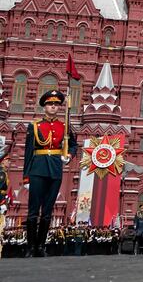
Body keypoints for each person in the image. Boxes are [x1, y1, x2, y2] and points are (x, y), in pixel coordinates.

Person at [23, 90, 78, 257]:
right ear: (44, 107)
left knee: (47, 211)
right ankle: (30, 247)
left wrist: (69, 155)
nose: (53, 107)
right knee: (33, 211)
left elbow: (74, 145)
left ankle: (41, 246)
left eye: (56, 104)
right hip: (37, 170)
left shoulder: (64, 127)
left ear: (59, 108)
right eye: (50, 104)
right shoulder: (34, 126)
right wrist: (26, 176)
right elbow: (28, 152)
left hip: (55, 169)